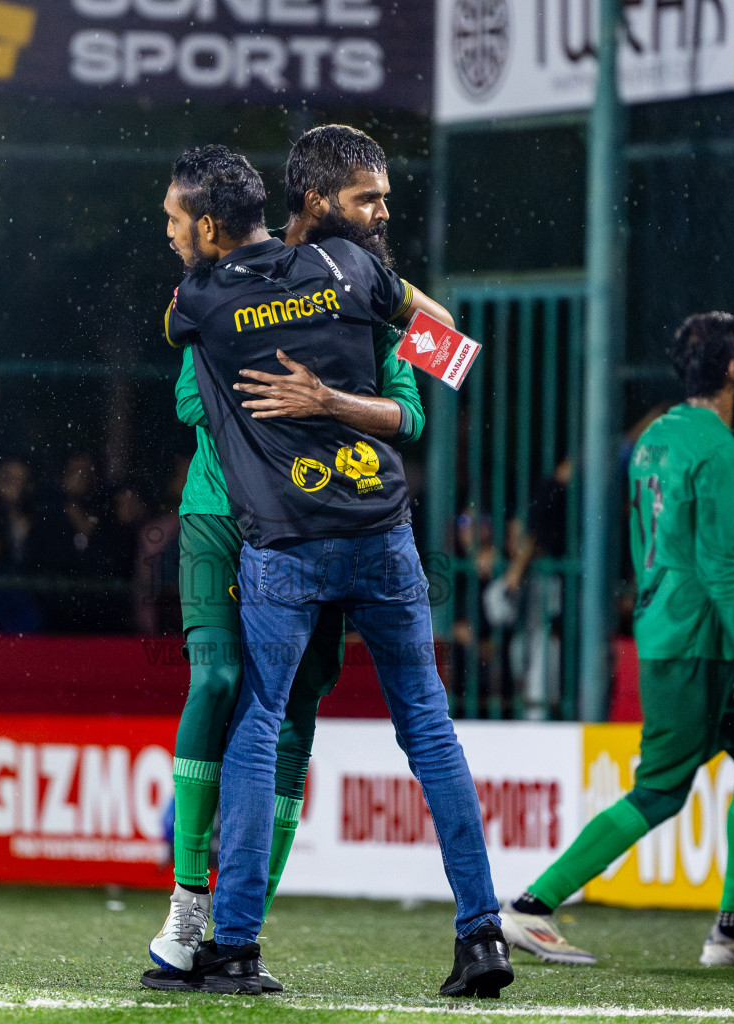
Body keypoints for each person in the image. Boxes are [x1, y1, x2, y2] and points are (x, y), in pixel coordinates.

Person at [145, 144, 510, 998]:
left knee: (257, 721)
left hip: (287, 543)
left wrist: (321, 400)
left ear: (206, 225)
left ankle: (229, 943)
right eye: (369, 197)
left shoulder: (202, 301)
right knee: (427, 727)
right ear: (316, 200)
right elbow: (454, 349)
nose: (383, 212)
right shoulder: (355, 273)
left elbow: (184, 350)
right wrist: (358, 347)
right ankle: (482, 934)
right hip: (382, 534)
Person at [501, 312, 734, 969]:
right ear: (732, 370)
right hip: (697, 640)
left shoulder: (656, 437)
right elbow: (719, 564)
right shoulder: (720, 449)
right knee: (663, 787)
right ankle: (530, 908)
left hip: (667, 626)